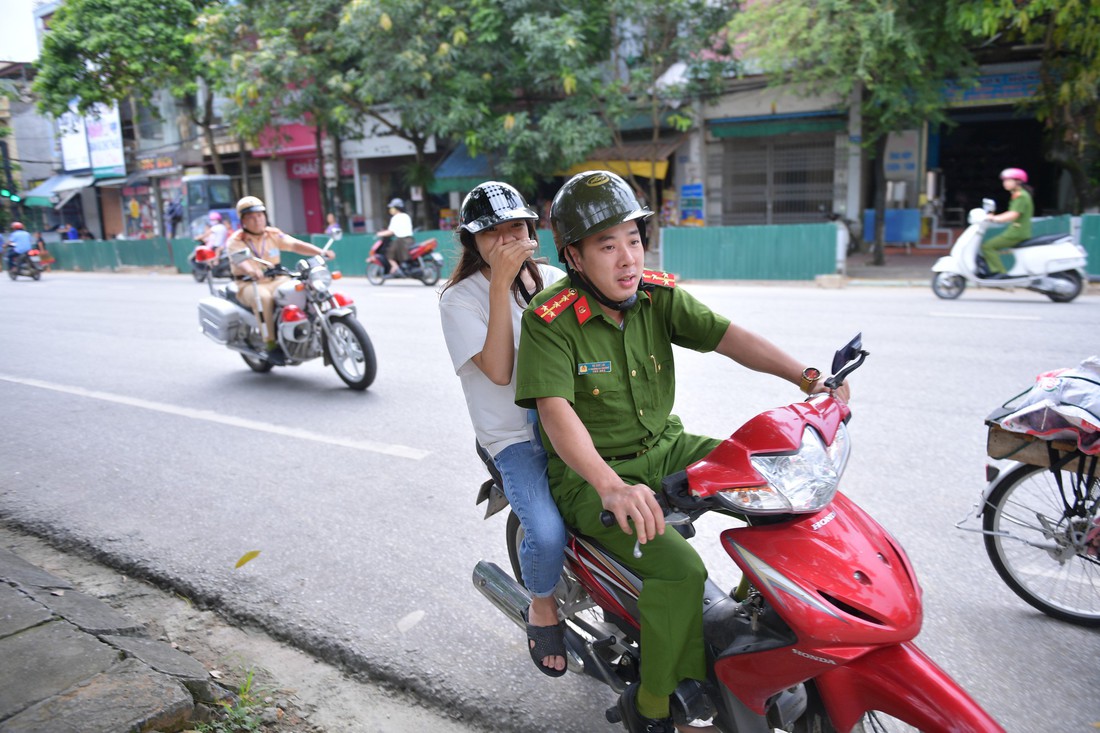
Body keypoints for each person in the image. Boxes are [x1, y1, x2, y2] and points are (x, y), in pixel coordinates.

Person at [515, 170, 850, 733]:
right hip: (593, 473)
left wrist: (808, 377)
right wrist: (609, 484)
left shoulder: (655, 295)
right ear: (573, 255)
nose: (627, 259)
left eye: (634, 240)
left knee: (775, 479)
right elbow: (556, 412)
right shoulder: (549, 319)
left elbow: (728, 337)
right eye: (606, 245)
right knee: (682, 570)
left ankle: (755, 621)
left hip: (667, 446)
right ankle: (649, 706)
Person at [439, 182, 569, 677]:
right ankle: (541, 605)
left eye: (515, 227)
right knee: (548, 532)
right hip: (513, 439)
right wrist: (499, 284)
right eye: (491, 232)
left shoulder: (554, 279)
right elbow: (497, 369)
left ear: (532, 231)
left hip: (570, 422)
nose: (505, 238)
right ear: (473, 242)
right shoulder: (458, 300)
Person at [225, 196, 335, 364]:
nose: (257, 220)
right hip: (249, 283)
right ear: (243, 220)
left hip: (277, 278)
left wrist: (319, 252)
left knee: (304, 288)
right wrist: (252, 270)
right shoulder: (236, 240)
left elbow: (295, 245)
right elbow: (240, 259)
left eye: (260, 215)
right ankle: (270, 344)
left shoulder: (273, 234)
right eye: (251, 217)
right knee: (263, 298)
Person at [980, 167, 1034, 279]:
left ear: (1018, 182)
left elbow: (1013, 214)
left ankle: (1000, 273)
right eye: (1004, 180)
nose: (1005, 183)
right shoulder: (1017, 194)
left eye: (1008, 180)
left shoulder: (1021, 196)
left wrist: (994, 218)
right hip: (1015, 231)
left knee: (988, 246)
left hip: (1017, 233)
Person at [376, 197, 414, 275]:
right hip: (410, 240)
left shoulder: (396, 217)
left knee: (389, 253)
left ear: (396, 208)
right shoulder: (406, 216)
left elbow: (391, 231)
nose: (390, 209)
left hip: (401, 241)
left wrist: (380, 234)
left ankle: (394, 267)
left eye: (392, 208)